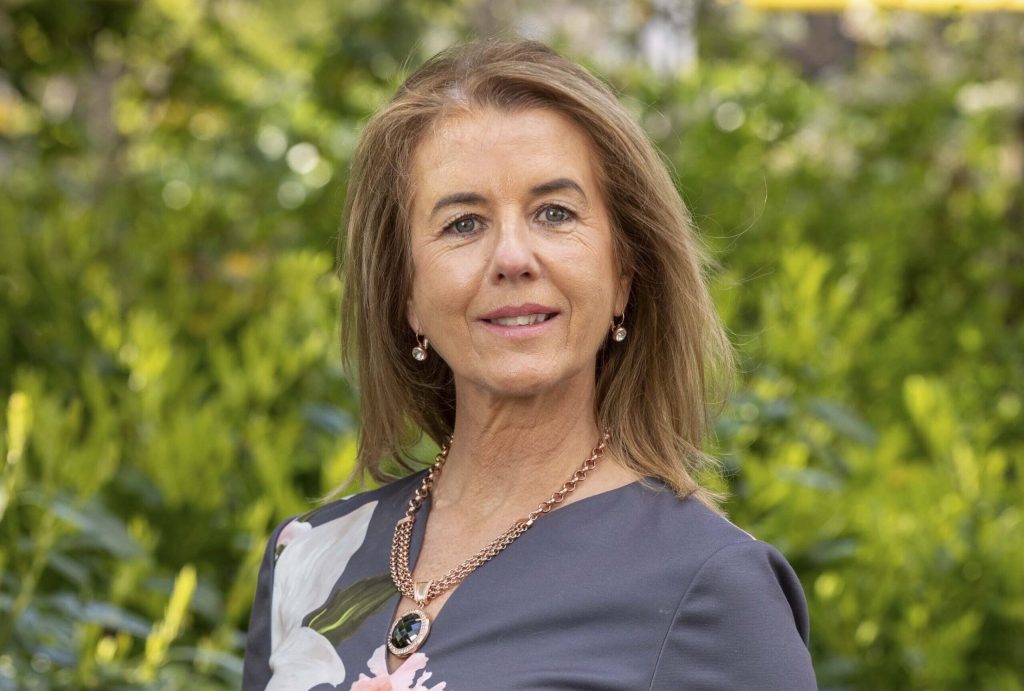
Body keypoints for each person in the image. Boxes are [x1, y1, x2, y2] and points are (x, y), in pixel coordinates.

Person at [242, 38, 817, 690]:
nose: (513, 258)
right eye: (464, 223)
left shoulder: (711, 584)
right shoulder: (306, 559)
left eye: (554, 213)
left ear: (624, 274)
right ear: (406, 293)